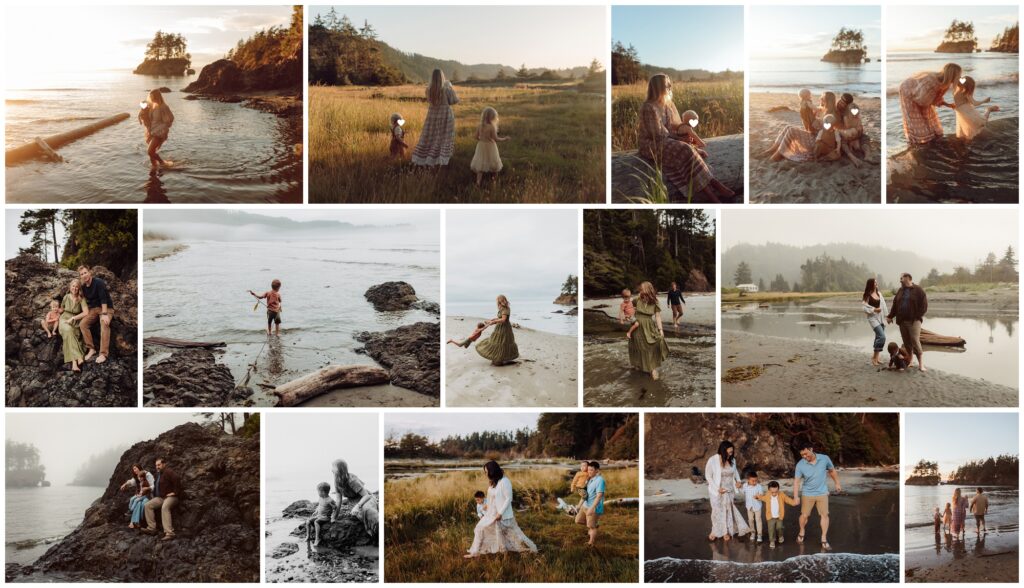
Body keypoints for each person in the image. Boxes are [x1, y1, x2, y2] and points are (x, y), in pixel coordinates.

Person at [637, 74, 735, 202]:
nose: (670, 87)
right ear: (658, 87)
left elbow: (673, 126)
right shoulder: (649, 107)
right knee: (686, 149)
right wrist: (680, 141)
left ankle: (713, 194)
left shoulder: (666, 105)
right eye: (667, 85)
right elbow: (657, 134)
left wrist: (683, 138)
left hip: (666, 140)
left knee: (686, 153)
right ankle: (715, 187)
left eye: (670, 84)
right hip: (650, 144)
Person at [465, 460, 538, 557]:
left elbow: (508, 498)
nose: (485, 474)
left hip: (503, 515)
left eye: (486, 472)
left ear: (492, 471)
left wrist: (500, 513)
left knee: (515, 536)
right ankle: (476, 552)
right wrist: (487, 506)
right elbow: (492, 497)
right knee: (480, 529)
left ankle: (529, 549)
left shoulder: (505, 481)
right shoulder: (493, 482)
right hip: (492, 513)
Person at [793, 441, 842, 550]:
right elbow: (796, 481)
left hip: (822, 492)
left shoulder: (824, 459)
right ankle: (802, 530)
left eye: (806, 453)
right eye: (802, 455)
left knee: (825, 515)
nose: (804, 457)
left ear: (811, 449)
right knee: (804, 515)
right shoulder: (800, 464)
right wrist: (796, 496)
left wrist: (837, 483)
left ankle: (824, 538)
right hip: (807, 493)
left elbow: (832, 471)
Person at [898, 63, 962, 145]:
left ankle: (931, 135)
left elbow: (936, 98)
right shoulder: (931, 81)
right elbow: (922, 101)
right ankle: (920, 139)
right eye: (958, 76)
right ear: (952, 75)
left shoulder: (945, 83)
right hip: (908, 90)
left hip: (921, 95)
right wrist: (937, 102)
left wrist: (948, 104)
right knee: (916, 115)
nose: (959, 77)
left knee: (928, 114)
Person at [412, 69, 459, 167]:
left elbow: (429, 101)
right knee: (444, 137)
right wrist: (450, 86)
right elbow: (455, 100)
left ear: (432, 78)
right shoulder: (446, 89)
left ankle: (429, 158)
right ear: (442, 77)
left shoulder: (428, 90)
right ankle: (441, 158)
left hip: (432, 116)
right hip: (446, 116)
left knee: (432, 136)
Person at [704, 441, 749, 542]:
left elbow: (735, 472)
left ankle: (726, 532)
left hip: (729, 490)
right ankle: (714, 531)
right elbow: (708, 476)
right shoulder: (713, 460)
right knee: (717, 511)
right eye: (729, 452)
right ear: (723, 451)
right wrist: (717, 488)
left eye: (732, 452)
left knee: (728, 511)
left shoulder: (732, 460)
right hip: (717, 491)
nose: (731, 454)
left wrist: (738, 481)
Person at [886, 272, 928, 372]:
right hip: (902, 321)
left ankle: (921, 365)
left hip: (914, 321)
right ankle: (910, 361)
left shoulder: (918, 290)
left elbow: (924, 306)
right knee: (907, 342)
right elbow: (895, 305)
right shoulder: (900, 290)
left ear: (908, 278)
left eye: (901, 278)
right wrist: (890, 316)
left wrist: (917, 317)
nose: (900, 280)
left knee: (915, 341)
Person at [627, 282, 669, 380]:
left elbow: (657, 316)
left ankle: (652, 369)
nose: (640, 290)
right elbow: (628, 306)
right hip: (637, 326)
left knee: (652, 345)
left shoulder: (655, 302)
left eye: (642, 289)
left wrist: (661, 329)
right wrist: (629, 316)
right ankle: (638, 365)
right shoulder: (637, 299)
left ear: (647, 289)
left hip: (649, 326)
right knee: (637, 345)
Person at [332, 459, 379, 538]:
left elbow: (366, 495)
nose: (332, 469)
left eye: (333, 467)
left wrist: (357, 506)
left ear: (340, 468)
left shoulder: (352, 480)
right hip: (353, 501)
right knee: (359, 515)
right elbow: (338, 500)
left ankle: (378, 532)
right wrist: (334, 517)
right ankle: (373, 532)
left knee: (367, 510)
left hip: (366, 498)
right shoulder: (337, 481)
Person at [77, 265, 114, 364]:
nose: (84, 275)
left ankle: (103, 354)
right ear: (80, 276)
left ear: (89, 272)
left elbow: (103, 299)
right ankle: (91, 349)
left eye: (85, 273)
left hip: (106, 308)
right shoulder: (83, 287)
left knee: (104, 323)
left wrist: (105, 314)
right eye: (82, 274)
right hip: (93, 309)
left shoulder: (98, 282)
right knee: (83, 324)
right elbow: (81, 297)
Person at [142, 457, 181, 541]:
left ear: (164, 464)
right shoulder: (159, 474)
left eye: (159, 465)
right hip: (161, 497)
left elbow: (177, 478)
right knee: (147, 505)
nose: (157, 467)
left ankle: (169, 533)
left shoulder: (168, 472)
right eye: (156, 465)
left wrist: (175, 492)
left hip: (171, 497)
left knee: (165, 507)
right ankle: (151, 528)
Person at [475, 295, 519, 366]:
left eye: (499, 301)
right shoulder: (501, 308)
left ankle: (501, 359)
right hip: (499, 327)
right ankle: (497, 358)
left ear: (502, 300)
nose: (498, 302)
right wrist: (493, 319)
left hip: (504, 328)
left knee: (503, 343)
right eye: (498, 301)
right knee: (496, 342)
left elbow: (503, 320)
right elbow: (500, 318)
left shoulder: (506, 309)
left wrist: (493, 322)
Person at [470, 107, 509, 186]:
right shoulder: (491, 127)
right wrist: (505, 138)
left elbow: (475, 137)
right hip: (490, 146)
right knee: (493, 161)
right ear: (492, 117)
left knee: (481, 162)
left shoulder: (480, 126)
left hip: (481, 146)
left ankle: (478, 182)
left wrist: (481, 140)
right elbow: (496, 139)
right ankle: (494, 181)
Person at [953, 76, 999, 140]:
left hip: (964, 111)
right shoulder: (963, 91)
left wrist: (984, 101)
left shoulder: (958, 92)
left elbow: (973, 103)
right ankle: (989, 109)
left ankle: (988, 110)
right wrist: (984, 101)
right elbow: (974, 103)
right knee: (970, 127)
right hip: (963, 111)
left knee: (979, 124)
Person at [756, 480, 798, 549]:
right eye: (772, 492)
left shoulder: (782, 495)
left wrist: (794, 502)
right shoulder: (767, 495)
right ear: (769, 490)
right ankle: (772, 540)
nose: (774, 494)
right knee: (771, 529)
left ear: (778, 489)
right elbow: (763, 498)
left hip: (779, 516)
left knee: (779, 527)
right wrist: (758, 497)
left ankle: (780, 536)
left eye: (776, 491)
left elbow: (788, 499)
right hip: (770, 516)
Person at [58, 280, 88, 372]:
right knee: (68, 330)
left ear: (79, 288)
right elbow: (61, 309)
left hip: (75, 321)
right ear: (70, 287)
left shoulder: (81, 299)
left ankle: (74, 364)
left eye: (76, 287)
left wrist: (74, 318)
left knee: (71, 335)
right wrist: (54, 313)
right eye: (73, 286)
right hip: (64, 319)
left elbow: (86, 312)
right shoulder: (66, 297)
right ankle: (78, 358)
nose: (74, 288)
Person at [575, 461, 606, 547]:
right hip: (585, 505)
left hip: (594, 508)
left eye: (591, 470)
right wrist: (579, 505)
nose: (589, 472)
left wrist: (592, 508)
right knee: (578, 520)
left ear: (597, 470)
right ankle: (594, 525)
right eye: (588, 470)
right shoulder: (588, 479)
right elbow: (585, 494)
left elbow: (599, 496)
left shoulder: (600, 480)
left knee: (591, 527)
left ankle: (591, 543)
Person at [143, 88, 174, 170]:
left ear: (157, 96)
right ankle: (154, 167)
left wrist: (163, 130)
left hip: (159, 132)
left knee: (150, 151)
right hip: (152, 131)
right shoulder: (153, 106)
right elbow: (150, 119)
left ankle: (162, 163)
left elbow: (171, 119)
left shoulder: (163, 107)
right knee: (152, 153)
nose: (151, 98)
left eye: (152, 96)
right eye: (150, 96)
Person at [119, 464, 155, 529]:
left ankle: (136, 521)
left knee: (142, 503)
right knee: (138, 502)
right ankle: (135, 522)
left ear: (139, 468)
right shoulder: (138, 476)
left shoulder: (147, 474)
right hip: (142, 495)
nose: (134, 470)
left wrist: (147, 488)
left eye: (135, 468)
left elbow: (153, 486)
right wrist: (125, 484)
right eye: (133, 469)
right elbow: (131, 481)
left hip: (149, 495)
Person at [862, 278, 888, 366]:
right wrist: (874, 309)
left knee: (878, 337)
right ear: (871, 284)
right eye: (875, 282)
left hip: (881, 318)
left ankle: (876, 357)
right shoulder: (867, 295)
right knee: (882, 337)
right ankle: (874, 358)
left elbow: (884, 305)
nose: (876, 283)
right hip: (873, 318)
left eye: (876, 282)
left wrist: (887, 316)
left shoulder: (879, 293)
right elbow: (864, 308)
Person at [305, 482, 337, 546]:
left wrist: (333, 517)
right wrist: (316, 511)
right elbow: (319, 505)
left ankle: (317, 538)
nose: (318, 493)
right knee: (308, 521)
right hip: (319, 515)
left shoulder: (329, 500)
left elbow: (335, 508)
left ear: (323, 492)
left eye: (318, 491)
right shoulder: (320, 498)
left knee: (316, 522)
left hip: (325, 517)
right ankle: (308, 536)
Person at [742, 471, 765, 543]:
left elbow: (761, 495)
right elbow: (742, 492)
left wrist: (758, 497)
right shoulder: (745, 486)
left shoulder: (759, 486)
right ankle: (753, 532)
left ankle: (759, 534)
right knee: (750, 520)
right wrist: (739, 487)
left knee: (758, 520)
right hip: (749, 506)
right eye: (753, 481)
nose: (754, 482)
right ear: (748, 480)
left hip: (757, 506)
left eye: (756, 480)